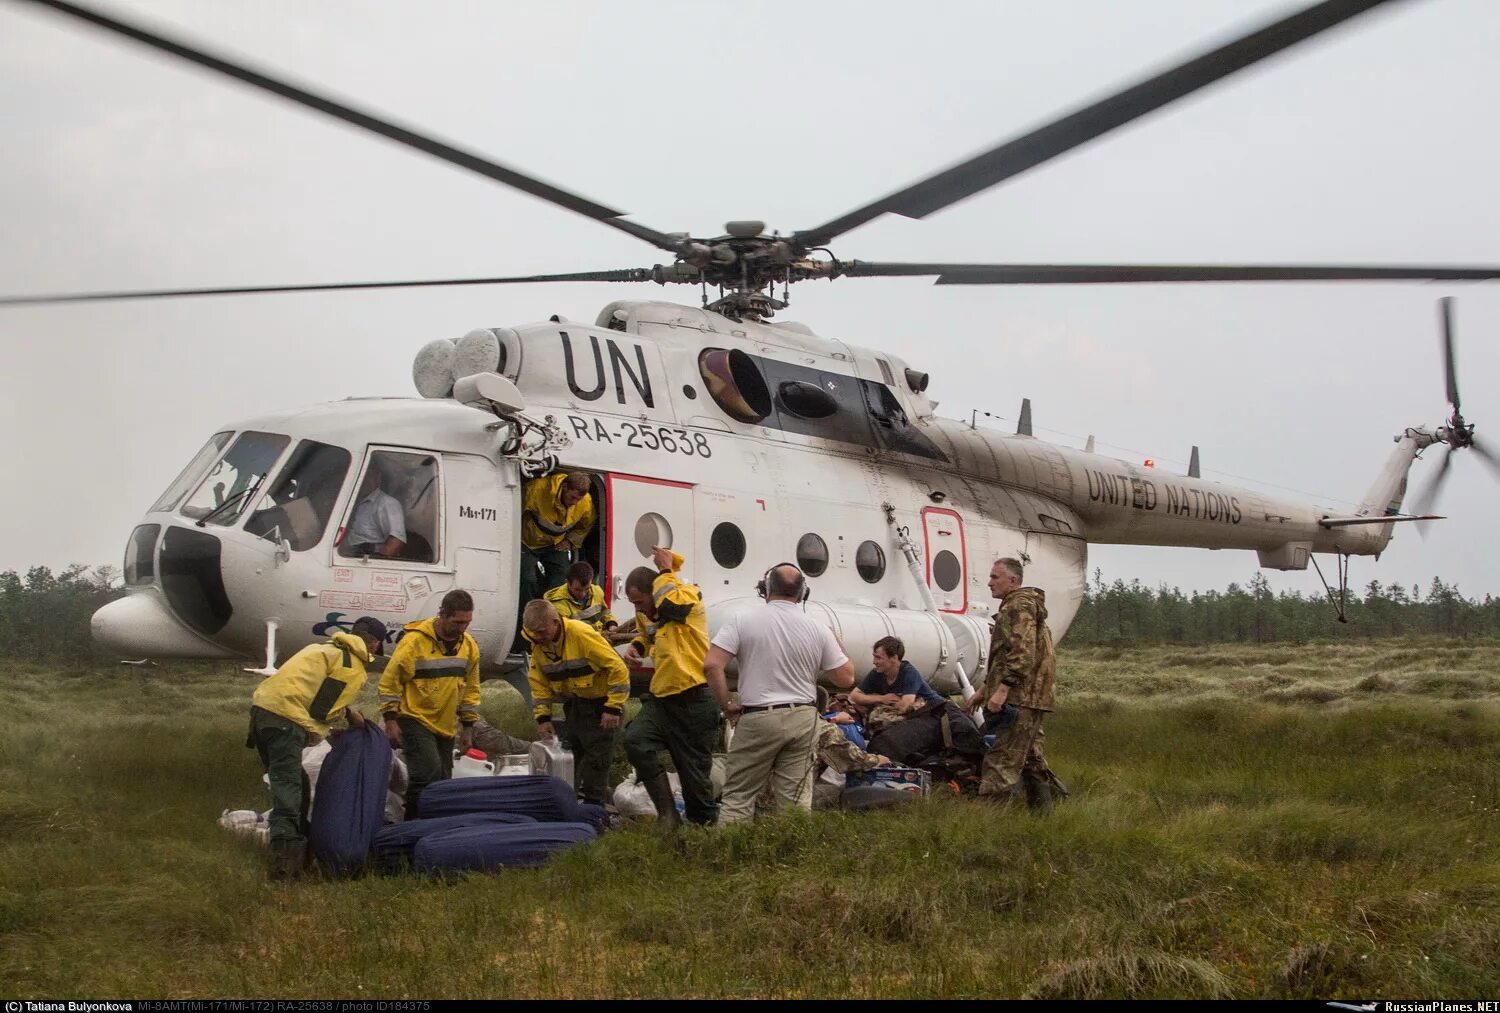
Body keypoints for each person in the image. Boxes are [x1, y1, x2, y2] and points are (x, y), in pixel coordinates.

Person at [705, 563, 855, 823]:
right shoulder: (817, 628)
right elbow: (846, 678)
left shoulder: (742, 620)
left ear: (765, 588)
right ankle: (793, 857)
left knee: (739, 796)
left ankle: (730, 857)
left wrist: (727, 703)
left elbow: (711, 665)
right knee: (794, 801)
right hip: (803, 718)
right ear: (802, 593)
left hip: (758, 717)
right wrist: (835, 640)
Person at [247, 615, 387, 880]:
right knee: (289, 793)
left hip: (262, 714)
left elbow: (313, 690)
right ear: (374, 645)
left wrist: (340, 716)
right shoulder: (352, 667)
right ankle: (284, 872)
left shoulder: (321, 649)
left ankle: (301, 852)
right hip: (285, 721)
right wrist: (346, 722)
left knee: (295, 785)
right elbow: (324, 709)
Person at [621, 546, 722, 830]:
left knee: (694, 778)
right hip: (663, 698)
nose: (637, 609)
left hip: (695, 699)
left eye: (640, 601)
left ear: (653, 590)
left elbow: (672, 610)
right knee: (636, 740)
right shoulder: (646, 612)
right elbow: (648, 634)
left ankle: (703, 826)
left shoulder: (685, 595)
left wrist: (666, 571)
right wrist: (636, 646)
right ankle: (668, 815)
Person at [379, 589, 482, 819]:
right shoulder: (414, 642)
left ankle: (434, 830)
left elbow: (471, 689)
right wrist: (390, 720)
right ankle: (412, 828)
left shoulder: (469, 647)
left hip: (445, 725)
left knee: (442, 783)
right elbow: (389, 682)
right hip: (413, 718)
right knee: (427, 774)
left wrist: (467, 728)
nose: (462, 628)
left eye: (467, 622)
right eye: (457, 622)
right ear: (443, 615)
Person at [967, 557, 1057, 808]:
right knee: (1031, 758)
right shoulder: (1024, 606)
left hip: (1020, 697)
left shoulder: (1018, 607)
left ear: (1013, 580)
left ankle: (989, 822)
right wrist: (985, 690)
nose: (989, 583)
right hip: (1031, 697)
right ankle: (1043, 816)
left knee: (1001, 759)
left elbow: (1022, 653)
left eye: (995, 577)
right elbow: (1004, 657)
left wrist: (1002, 690)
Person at [521, 598, 630, 806]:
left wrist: (613, 707)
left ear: (555, 621)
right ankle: (567, 805)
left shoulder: (581, 635)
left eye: (543, 632)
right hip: (576, 705)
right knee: (572, 759)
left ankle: (593, 811)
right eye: (534, 634)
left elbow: (618, 669)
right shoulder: (538, 642)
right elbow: (539, 683)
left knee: (596, 762)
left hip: (602, 706)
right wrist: (543, 717)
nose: (539, 638)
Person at [519, 472, 595, 606]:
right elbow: (512, 509)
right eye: (572, 497)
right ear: (564, 486)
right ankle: (529, 614)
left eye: (578, 499)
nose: (574, 503)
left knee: (563, 577)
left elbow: (585, 525)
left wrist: (569, 541)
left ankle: (550, 612)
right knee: (527, 579)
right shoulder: (537, 490)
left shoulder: (585, 503)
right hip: (527, 542)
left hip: (555, 544)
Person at [851, 635, 947, 713]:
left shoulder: (909, 673)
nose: (874, 662)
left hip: (939, 710)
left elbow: (905, 706)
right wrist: (881, 698)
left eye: (878, 658)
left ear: (894, 658)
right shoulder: (876, 673)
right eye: (874, 657)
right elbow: (854, 695)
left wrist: (874, 702)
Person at [342, 461, 406, 558]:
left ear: (377, 477)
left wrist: (378, 560)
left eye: (369, 475)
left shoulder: (387, 503)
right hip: (344, 554)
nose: (364, 479)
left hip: (366, 558)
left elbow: (395, 542)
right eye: (360, 475)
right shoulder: (348, 501)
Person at [543, 560, 619, 636]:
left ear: (591, 581)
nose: (583, 594)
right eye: (577, 590)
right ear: (568, 583)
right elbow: (568, 632)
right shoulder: (557, 604)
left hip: (598, 637)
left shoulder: (597, 591)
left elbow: (604, 612)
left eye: (587, 589)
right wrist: (597, 635)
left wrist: (611, 624)